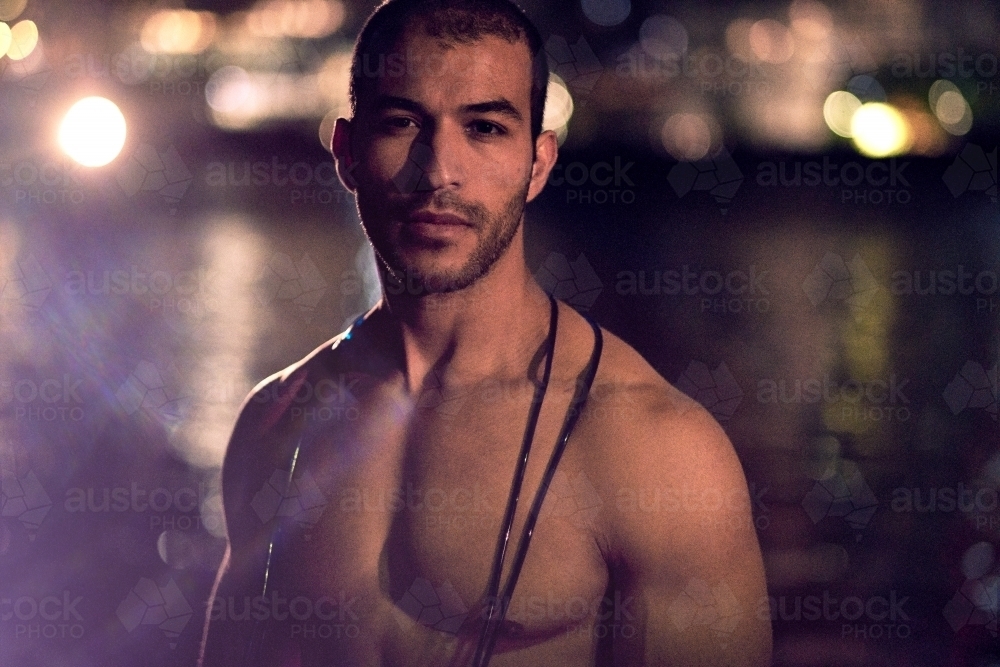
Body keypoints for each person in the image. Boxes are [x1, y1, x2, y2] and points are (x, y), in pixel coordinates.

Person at [200, 0, 771, 664]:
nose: (440, 169)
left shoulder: (654, 452)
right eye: (402, 122)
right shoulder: (279, 420)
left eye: (485, 128)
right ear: (346, 154)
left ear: (538, 163)